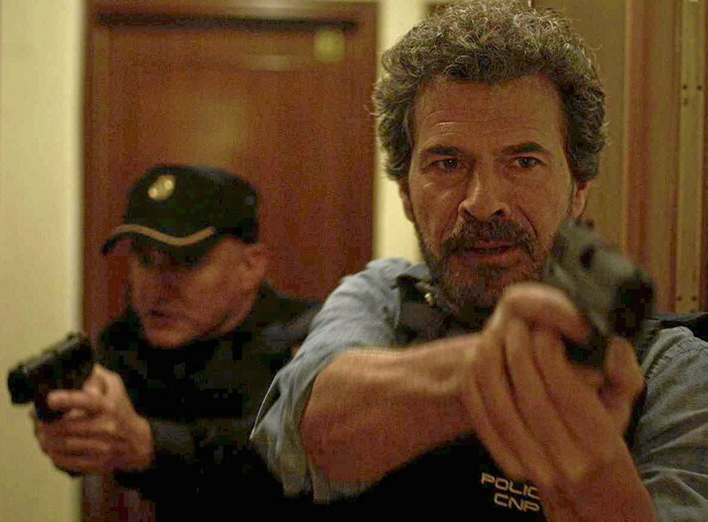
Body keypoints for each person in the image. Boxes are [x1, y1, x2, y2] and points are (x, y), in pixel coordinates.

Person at [251, 1, 708, 519]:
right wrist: (509, 369)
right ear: (405, 194)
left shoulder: (672, 371)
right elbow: (311, 431)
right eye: (447, 163)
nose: (483, 201)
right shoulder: (380, 296)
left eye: (523, 161)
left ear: (578, 189)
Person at [33, 164, 320, 519]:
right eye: (144, 259)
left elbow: (285, 458)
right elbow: (102, 439)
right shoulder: (127, 343)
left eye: (186, 262)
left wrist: (149, 445)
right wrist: (74, 434)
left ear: (250, 266)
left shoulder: (311, 340)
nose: (157, 286)